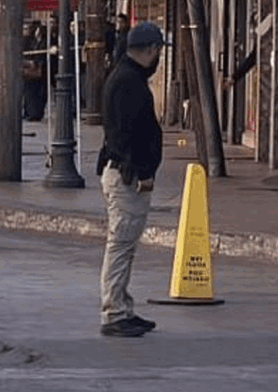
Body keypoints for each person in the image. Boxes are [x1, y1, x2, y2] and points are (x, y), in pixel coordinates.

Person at [94, 21, 168, 338]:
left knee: (125, 246)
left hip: (123, 172)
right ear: (151, 50)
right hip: (126, 176)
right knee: (121, 246)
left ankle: (123, 306)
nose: (159, 58)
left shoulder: (126, 77)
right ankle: (114, 312)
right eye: (158, 51)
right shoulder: (128, 82)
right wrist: (141, 171)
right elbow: (127, 135)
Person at [22, 21, 48, 122]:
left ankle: (35, 113)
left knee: (37, 93)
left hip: (39, 69)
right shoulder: (29, 41)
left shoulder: (43, 42)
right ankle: (30, 112)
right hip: (30, 68)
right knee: (29, 92)